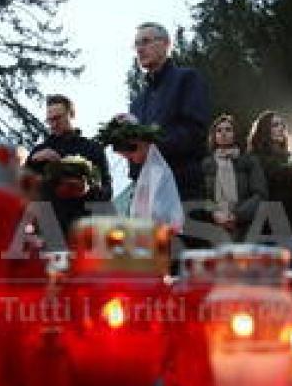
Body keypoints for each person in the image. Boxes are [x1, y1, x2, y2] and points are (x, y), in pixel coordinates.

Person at [130, 22, 210, 201]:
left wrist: (151, 149)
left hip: (183, 190)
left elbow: (195, 131)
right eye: (137, 45)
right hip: (148, 194)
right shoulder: (137, 102)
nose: (140, 49)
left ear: (166, 43)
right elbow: (136, 155)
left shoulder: (187, 79)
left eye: (145, 42)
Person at [25, 94, 112, 239]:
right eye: (49, 120)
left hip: (84, 227)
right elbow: (22, 188)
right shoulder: (38, 152)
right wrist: (33, 160)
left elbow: (107, 190)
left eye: (58, 118)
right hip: (48, 228)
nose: (53, 125)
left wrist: (88, 189)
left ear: (71, 114)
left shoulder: (92, 149)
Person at [247, 110, 292, 259]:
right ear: (264, 130)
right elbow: (271, 179)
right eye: (275, 125)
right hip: (271, 226)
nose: (281, 128)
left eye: (282, 125)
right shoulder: (254, 159)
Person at [97, 114, 184, 232]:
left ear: (140, 143)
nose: (128, 159)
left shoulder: (158, 171)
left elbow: (163, 212)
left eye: (129, 155)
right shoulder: (140, 172)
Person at [202, 114, 268, 242]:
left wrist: (236, 215)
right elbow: (202, 195)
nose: (223, 133)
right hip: (214, 226)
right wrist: (214, 213)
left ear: (235, 133)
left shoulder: (249, 161)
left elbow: (260, 193)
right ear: (214, 136)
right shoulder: (206, 164)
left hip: (245, 225)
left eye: (228, 129)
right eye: (219, 130)